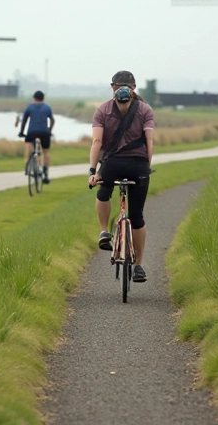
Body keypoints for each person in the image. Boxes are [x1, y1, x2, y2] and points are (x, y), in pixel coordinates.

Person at [88, 70, 156, 283]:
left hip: (112, 165)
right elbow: (149, 142)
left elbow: (97, 142)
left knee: (104, 191)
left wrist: (93, 171)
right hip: (139, 166)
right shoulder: (145, 109)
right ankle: (138, 266)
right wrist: (146, 167)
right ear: (134, 88)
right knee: (137, 217)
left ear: (113, 88)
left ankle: (104, 232)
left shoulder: (102, 110)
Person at [18, 90, 55, 184]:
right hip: (44, 132)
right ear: (43, 98)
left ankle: (29, 160)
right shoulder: (47, 107)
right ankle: (46, 174)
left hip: (32, 131)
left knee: (28, 144)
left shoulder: (29, 107)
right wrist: (49, 131)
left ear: (34, 98)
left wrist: (21, 132)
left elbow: (24, 120)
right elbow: (52, 120)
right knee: (45, 152)